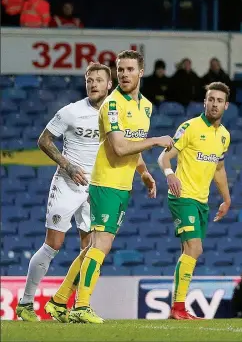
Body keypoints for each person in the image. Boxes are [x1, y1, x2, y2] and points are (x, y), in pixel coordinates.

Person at [68, 50, 174, 324]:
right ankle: (81, 305)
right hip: (105, 182)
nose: (124, 74)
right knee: (100, 245)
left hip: (122, 185)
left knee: (93, 246)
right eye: (120, 69)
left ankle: (58, 300)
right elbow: (120, 146)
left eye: (129, 69)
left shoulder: (146, 106)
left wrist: (144, 173)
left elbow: (132, 145)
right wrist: (155, 141)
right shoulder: (112, 105)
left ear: (141, 72)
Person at [14, 63, 111, 322]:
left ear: (108, 85)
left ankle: (73, 306)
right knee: (53, 245)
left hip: (96, 187)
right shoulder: (71, 112)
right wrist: (67, 166)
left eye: (98, 80)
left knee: (90, 249)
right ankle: (25, 303)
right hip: (68, 184)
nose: (93, 84)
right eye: (89, 80)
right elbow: (43, 140)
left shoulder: (115, 114)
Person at [157, 82, 231, 319]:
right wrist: (169, 176)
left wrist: (226, 199)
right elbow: (164, 157)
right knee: (195, 248)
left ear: (226, 105)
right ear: (204, 102)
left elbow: (219, 169)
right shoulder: (189, 127)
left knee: (188, 252)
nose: (214, 104)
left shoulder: (224, 136)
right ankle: (178, 308)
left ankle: (177, 308)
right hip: (182, 196)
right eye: (211, 99)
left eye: (219, 100)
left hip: (202, 201)